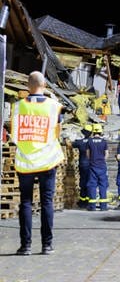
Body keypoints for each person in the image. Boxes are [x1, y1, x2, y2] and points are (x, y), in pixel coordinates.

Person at [11, 71, 65, 256]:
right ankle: (46, 245)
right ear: (44, 86)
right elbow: (58, 131)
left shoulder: (18, 107)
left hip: (25, 161)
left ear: (28, 86)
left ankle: (25, 246)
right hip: (47, 161)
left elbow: (14, 132)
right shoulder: (53, 106)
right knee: (46, 202)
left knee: (26, 202)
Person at [65, 124, 92, 208]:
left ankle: (83, 202)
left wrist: (66, 139)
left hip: (83, 165)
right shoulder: (92, 142)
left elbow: (69, 144)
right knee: (91, 182)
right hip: (92, 165)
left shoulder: (80, 142)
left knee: (83, 182)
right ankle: (90, 200)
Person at [86, 123, 109, 211]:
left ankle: (92, 207)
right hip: (102, 166)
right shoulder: (104, 141)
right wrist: (103, 161)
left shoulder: (90, 141)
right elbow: (106, 154)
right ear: (100, 132)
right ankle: (103, 206)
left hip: (93, 166)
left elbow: (88, 154)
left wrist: (92, 160)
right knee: (103, 185)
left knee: (92, 185)